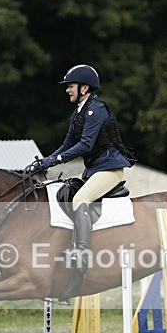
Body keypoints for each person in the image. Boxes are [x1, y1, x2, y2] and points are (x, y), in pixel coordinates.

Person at [34, 64, 135, 301]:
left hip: (110, 170)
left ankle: (81, 254)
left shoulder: (96, 109)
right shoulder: (79, 112)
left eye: (71, 86)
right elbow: (67, 144)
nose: (67, 90)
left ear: (84, 88)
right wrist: (47, 161)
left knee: (80, 199)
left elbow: (86, 144)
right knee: (65, 193)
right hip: (94, 170)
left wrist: (57, 159)